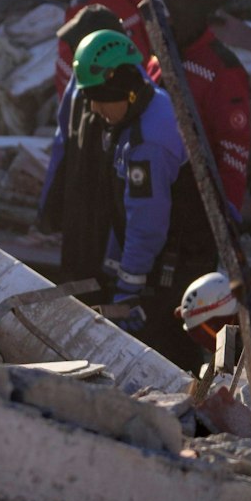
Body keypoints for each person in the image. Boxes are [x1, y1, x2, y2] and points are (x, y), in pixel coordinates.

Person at [71, 30, 221, 367]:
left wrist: (128, 288)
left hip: (179, 259)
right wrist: (114, 267)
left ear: (124, 87)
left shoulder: (147, 142)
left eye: (98, 97)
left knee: (166, 347)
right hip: (166, 250)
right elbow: (124, 209)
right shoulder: (145, 108)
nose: (94, 108)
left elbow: (146, 223)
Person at [143, 0, 250, 215]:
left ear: (185, 12)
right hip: (152, 190)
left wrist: (228, 207)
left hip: (195, 205)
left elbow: (234, 146)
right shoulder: (160, 56)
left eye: (163, 16)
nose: (156, 24)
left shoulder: (222, 68)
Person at [40, 4, 127, 286]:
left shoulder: (131, 95)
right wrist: (49, 207)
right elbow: (62, 143)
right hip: (77, 211)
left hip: (108, 223)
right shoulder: (77, 85)